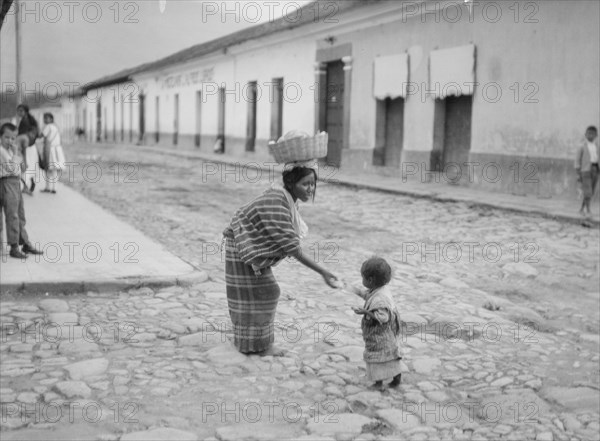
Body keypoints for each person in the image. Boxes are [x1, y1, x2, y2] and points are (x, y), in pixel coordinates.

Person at [222, 159, 340, 354]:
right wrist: (323, 272)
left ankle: (254, 345)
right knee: (264, 292)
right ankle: (258, 347)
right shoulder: (278, 200)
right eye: (305, 184)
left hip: (250, 247)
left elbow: (286, 241)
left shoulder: (287, 200)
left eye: (313, 184)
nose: (310, 189)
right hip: (242, 246)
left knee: (260, 294)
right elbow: (292, 247)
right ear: (292, 183)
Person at [351, 256, 402, 391]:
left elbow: (383, 318)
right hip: (387, 335)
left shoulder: (380, 298)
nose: (362, 280)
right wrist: (355, 290)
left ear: (370, 280)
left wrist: (365, 312)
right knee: (391, 355)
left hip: (380, 336)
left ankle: (378, 383)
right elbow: (368, 295)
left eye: (363, 278)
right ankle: (397, 378)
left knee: (377, 358)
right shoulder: (380, 290)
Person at [0, 123, 43, 258]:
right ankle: (13, 247)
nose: (10, 141)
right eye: (7, 138)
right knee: (12, 215)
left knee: (20, 214)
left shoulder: (12, 150)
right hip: (6, 182)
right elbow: (12, 168)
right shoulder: (1, 151)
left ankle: (24, 243)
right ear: (0, 137)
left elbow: (23, 168)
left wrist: (17, 152)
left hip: (16, 182)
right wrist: (16, 154)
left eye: (13, 138)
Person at [15, 104, 40, 195]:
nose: (19, 113)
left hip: (26, 148)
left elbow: (23, 139)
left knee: (25, 167)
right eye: (18, 111)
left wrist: (24, 158)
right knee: (31, 167)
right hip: (32, 147)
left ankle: (25, 187)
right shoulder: (30, 120)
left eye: (21, 111)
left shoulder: (25, 122)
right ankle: (30, 184)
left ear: (25, 111)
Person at [575, 126, 600, 218]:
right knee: (588, 191)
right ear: (585, 134)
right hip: (585, 170)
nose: (590, 135)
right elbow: (577, 160)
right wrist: (578, 173)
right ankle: (588, 210)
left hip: (595, 169)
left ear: (596, 135)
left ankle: (581, 209)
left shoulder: (597, 146)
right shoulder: (582, 146)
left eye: (593, 134)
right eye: (589, 133)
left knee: (591, 191)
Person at [40, 113, 65, 194]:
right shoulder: (55, 127)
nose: (45, 120)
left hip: (50, 149)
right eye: (44, 118)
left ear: (51, 119)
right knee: (55, 169)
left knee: (49, 168)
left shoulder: (48, 127)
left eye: (47, 118)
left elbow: (41, 135)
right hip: (57, 149)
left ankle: (49, 187)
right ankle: (54, 187)